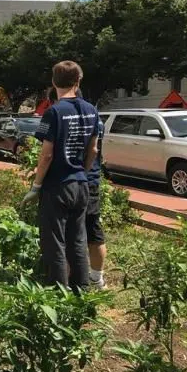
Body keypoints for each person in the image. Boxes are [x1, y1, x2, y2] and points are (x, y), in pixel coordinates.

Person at [23, 61, 100, 293]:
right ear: (78, 81)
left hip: (57, 185)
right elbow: (93, 150)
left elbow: (46, 155)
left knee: (54, 241)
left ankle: (58, 293)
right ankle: (81, 290)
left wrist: (36, 186)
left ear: (54, 81)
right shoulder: (92, 110)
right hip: (81, 184)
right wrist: (82, 173)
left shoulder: (54, 112)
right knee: (78, 239)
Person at [86, 109, 107, 290]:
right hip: (92, 180)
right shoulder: (95, 118)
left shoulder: (68, 116)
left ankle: (71, 280)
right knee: (93, 229)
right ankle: (96, 279)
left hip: (75, 180)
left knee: (71, 232)